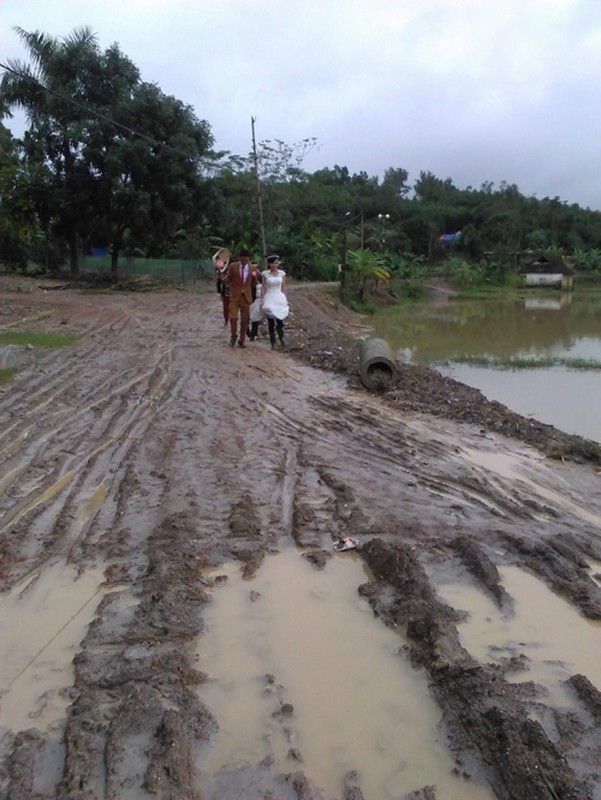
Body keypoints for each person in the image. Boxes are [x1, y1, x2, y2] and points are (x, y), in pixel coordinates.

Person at [222, 248, 257, 348]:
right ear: (239, 258)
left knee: (245, 320)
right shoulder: (233, 266)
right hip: (234, 296)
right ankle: (233, 336)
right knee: (233, 317)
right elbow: (229, 279)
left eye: (246, 260)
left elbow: (254, 282)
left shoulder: (253, 268)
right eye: (243, 260)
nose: (244, 262)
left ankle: (242, 340)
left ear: (249, 259)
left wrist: (257, 277)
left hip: (246, 297)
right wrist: (223, 279)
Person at [261, 255, 289, 350]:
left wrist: (285, 297)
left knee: (280, 319)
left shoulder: (281, 273)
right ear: (269, 264)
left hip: (278, 296)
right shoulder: (265, 274)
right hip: (269, 296)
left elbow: (283, 286)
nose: (274, 265)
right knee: (271, 321)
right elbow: (264, 287)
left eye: (276, 263)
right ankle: (272, 343)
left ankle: (281, 339)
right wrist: (262, 298)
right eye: (273, 263)